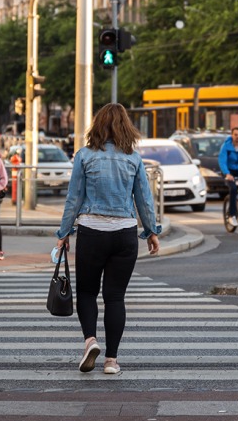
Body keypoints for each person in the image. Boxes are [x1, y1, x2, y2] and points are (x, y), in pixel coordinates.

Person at [54, 103, 161, 376]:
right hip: (125, 234)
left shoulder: (84, 156)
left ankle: (90, 340)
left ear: (97, 125)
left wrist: (64, 232)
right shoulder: (133, 158)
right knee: (115, 298)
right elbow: (144, 200)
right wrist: (151, 231)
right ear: (126, 127)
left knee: (87, 293)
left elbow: (74, 198)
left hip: (91, 231)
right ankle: (111, 360)